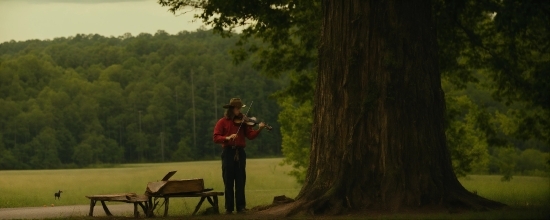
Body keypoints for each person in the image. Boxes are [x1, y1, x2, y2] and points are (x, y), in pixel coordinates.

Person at [213, 98, 266, 214]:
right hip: (228, 152)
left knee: (241, 179)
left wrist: (259, 129)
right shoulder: (222, 122)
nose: (240, 111)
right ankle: (229, 208)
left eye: (240, 109)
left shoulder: (243, 122)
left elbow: (250, 135)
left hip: (240, 152)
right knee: (228, 180)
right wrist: (227, 138)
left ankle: (241, 207)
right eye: (238, 109)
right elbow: (216, 137)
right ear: (231, 109)